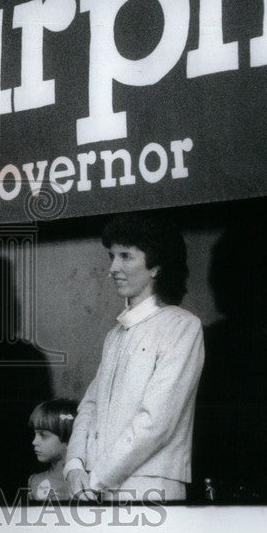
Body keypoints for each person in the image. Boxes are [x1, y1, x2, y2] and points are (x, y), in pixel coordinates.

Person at [64, 212, 204, 503]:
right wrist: (74, 465)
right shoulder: (115, 335)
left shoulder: (182, 326)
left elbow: (156, 421)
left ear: (156, 266)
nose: (113, 268)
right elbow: (89, 407)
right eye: (111, 256)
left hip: (151, 490)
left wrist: (97, 478)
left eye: (126, 256)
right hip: (98, 489)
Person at [27, 398, 78, 501]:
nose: (34, 442)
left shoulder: (86, 480)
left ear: (67, 438)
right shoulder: (35, 481)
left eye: (43, 435)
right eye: (35, 434)